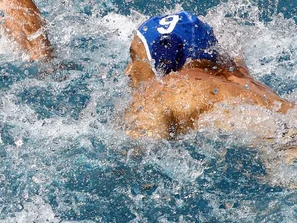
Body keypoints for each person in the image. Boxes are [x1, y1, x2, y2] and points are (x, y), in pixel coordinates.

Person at [123, 11, 295, 139]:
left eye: (134, 58)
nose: (128, 71)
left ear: (162, 60)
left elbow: (133, 149)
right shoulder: (242, 78)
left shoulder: (162, 92)